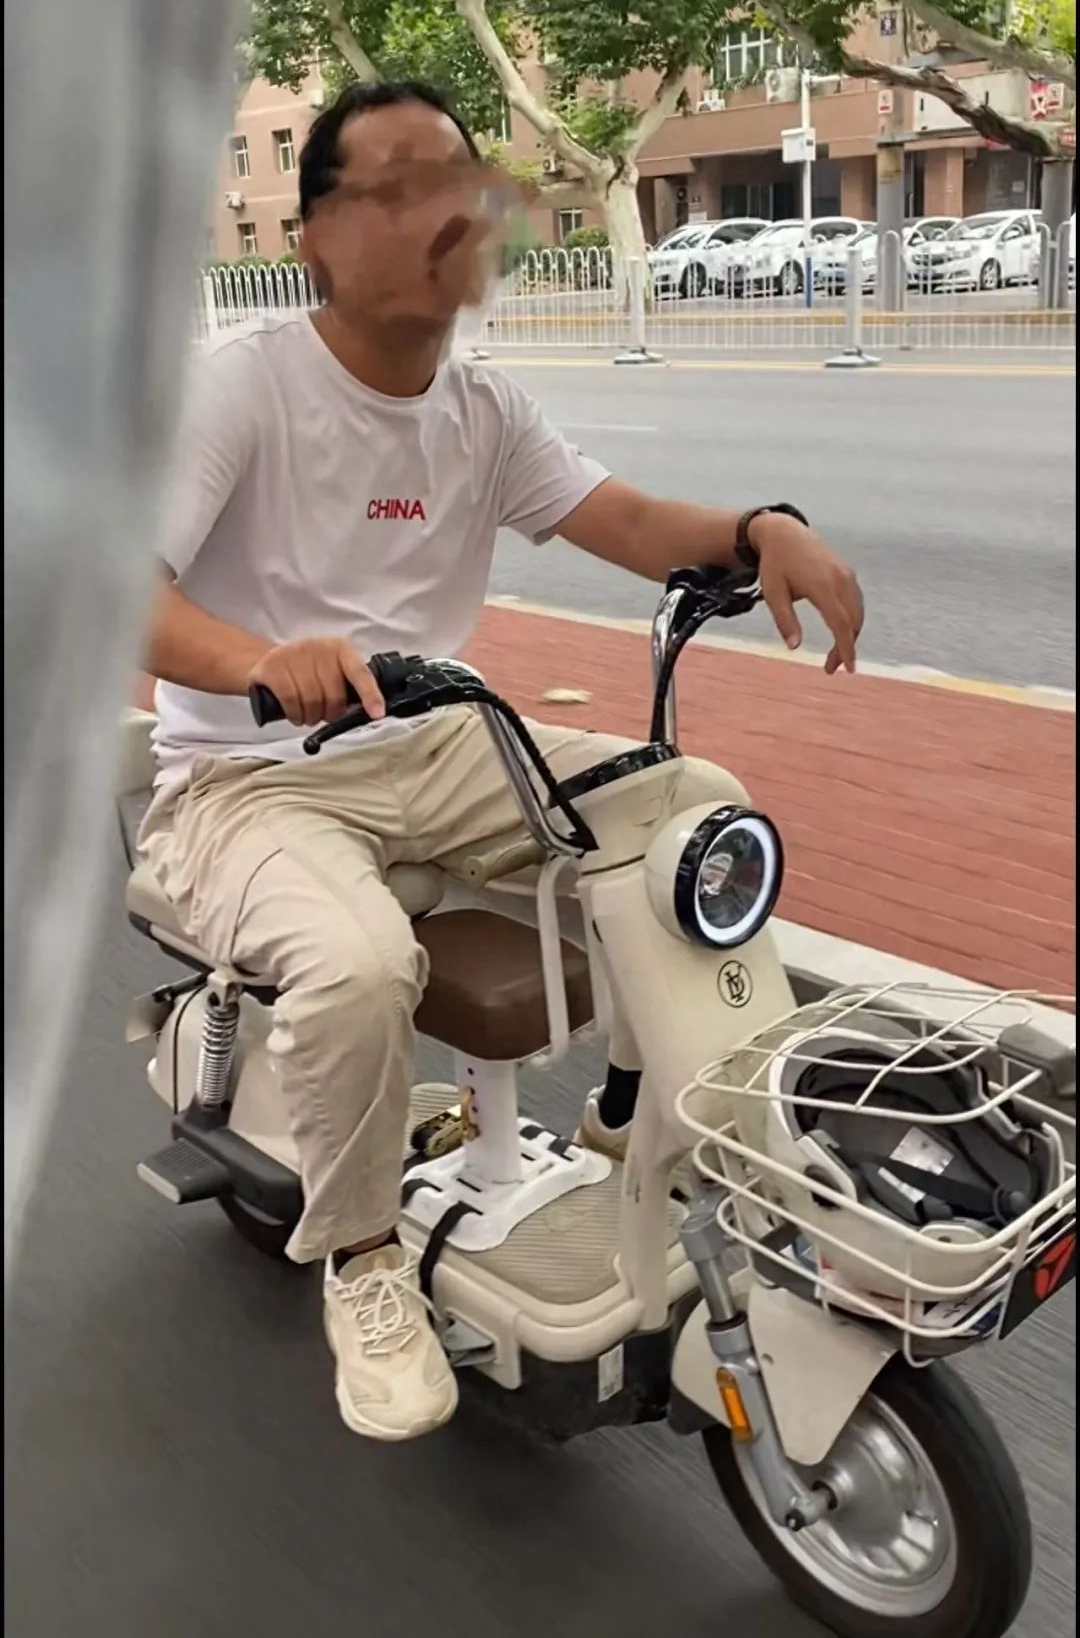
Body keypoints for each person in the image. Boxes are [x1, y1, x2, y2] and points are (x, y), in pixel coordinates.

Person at [140, 80, 864, 1443]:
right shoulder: (242, 388)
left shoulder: (481, 411)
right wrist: (260, 663)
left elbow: (628, 519)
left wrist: (761, 527)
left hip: (441, 741)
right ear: (316, 236)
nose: (444, 218)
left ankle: (645, 1112)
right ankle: (362, 1259)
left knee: (690, 808)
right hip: (250, 777)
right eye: (398, 191)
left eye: (462, 189)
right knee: (360, 963)